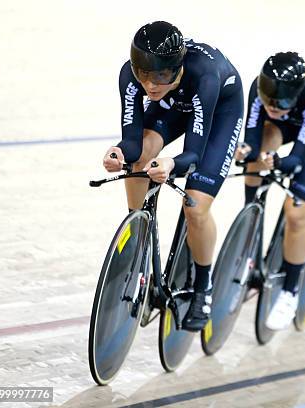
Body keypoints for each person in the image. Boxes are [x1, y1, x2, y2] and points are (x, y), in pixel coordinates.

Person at [101, 21, 244, 332]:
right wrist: (119, 152)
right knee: (139, 157)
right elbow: (132, 141)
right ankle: (138, 232)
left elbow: (193, 154)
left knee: (196, 207)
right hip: (175, 103)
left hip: (218, 111)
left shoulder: (204, 75)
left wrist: (171, 163)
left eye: (161, 76)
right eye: (145, 76)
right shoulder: (131, 75)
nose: (151, 86)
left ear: (177, 68)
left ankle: (203, 286)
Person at [235, 52, 305, 330]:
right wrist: (247, 151)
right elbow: (252, 135)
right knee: (263, 144)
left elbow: (299, 157)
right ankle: (253, 211)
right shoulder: (260, 89)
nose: (272, 106)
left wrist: (281, 163)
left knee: (296, 212)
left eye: (281, 102)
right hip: (287, 125)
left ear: (295, 95)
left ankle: (290, 291)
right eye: (268, 100)